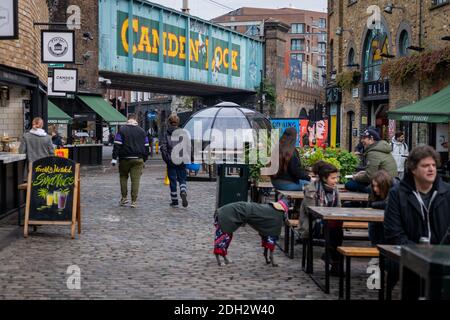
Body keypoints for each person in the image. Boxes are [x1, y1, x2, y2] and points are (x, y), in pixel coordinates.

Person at [384, 145, 450, 298]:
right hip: (411, 259)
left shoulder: (446, 192)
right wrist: (418, 253)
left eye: (433, 165)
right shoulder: (398, 193)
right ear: (413, 169)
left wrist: (439, 253)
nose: (431, 169)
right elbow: (393, 231)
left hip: (443, 261)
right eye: (425, 165)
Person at [298, 161, 342, 275]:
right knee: (335, 232)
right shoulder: (311, 189)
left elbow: (339, 208)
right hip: (312, 224)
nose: (336, 181)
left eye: (336, 178)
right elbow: (311, 211)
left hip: (329, 223)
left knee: (336, 230)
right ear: (324, 178)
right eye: (333, 178)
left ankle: (333, 259)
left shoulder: (335, 189)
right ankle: (334, 261)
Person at [111, 113, 149, 208]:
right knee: (135, 180)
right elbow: (146, 147)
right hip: (138, 159)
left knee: (123, 177)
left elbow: (117, 145)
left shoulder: (122, 130)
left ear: (128, 119)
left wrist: (114, 158)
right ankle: (134, 201)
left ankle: (124, 198)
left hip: (124, 159)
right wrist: (144, 159)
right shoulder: (142, 131)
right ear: (136, 119)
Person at [345, 128, 397, 193]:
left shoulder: (373, 153)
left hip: (383, 186)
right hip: (390, 182)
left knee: (349, 184)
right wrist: (364, 172)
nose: (362, 140)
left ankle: (360, 202)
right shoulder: (381, 148)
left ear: (371, 139)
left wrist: (356, 177)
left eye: (364, 138)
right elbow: (377, 169)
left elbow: (369, 177)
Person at [270, 127, 311, 191]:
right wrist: (309, 178)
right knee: (313, 186)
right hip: (288, 183)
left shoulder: (277, 148)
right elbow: (296, 171)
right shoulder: (291, 151)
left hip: (275, 182)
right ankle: (286, 201)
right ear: (294, 137)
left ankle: (285, 200)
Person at [160, 114, 188, 208]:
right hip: (181, 159)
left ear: (169, 122)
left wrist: (167, 159)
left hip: (171, 160)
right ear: (178, 122)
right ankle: (183, 191)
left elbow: (163, 147)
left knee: (172, 180)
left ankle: (175, 201)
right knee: (182, 178)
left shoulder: (167, 133)